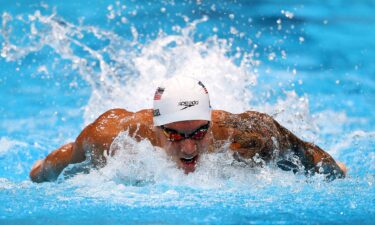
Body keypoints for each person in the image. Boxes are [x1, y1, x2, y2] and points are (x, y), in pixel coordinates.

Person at [29, 76, 347, 183]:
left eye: (198, 133)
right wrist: (40, 172)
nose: (188, 149)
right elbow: (60, 161)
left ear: (211, 123)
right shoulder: (111, 135)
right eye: (174, 135)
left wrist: (337, 172)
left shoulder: (239, 133)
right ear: (156, 128)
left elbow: (305, 152)